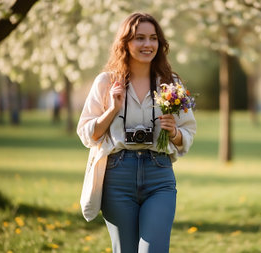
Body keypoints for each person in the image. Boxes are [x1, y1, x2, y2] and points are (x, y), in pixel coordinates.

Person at [77, 12, 196, 253]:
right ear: (125, 42)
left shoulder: (170, 83)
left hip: (159, 175)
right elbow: (87, 134)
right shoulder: (106, 82)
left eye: (153, 38)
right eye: (140, 38)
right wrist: (112, 109)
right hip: (117, 176)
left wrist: (173, 133)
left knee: (154, 250)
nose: (148, 44)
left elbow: (188, 135)